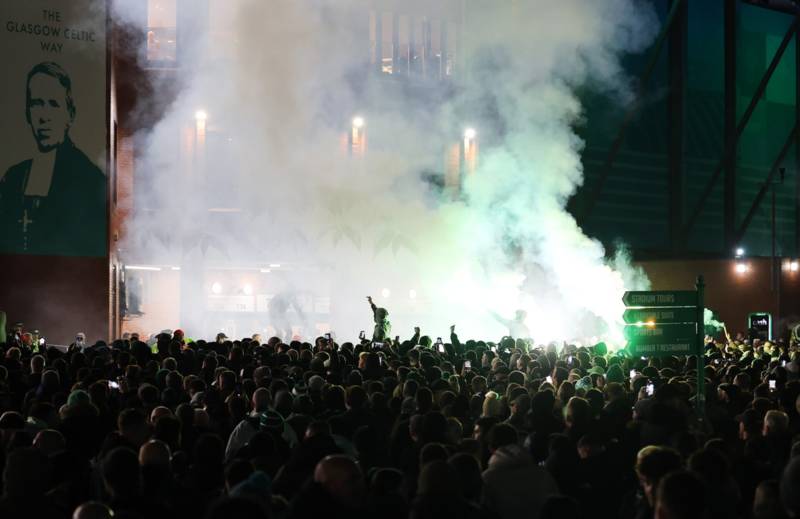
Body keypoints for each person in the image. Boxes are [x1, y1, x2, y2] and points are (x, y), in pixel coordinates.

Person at [0, 61, 106, 256]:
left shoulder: (89, 180)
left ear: (70, 114)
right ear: (27, 113)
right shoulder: (13, 177)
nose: (44, 116)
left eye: (53, 104)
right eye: (37, 104)